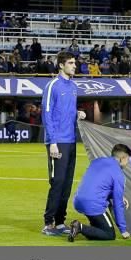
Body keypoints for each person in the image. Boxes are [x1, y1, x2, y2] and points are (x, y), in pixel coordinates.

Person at [42, 51, 86, 236]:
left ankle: (60, 223)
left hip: (71, 141)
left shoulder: (74, 87)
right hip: (57, 141)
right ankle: (48, 223)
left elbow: (66, 110)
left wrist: (78, 114)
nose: (74, 66)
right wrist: (52, 142)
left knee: (67, 184)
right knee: (57, 182)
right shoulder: (52, 85)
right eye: (70, 63)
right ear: (61, 65)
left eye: (74, 63)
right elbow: (47, 113)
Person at [68, 143, 131, 242]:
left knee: (98, 231)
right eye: (128, 159)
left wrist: (114, 195)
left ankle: (86, 230)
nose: (128, 163)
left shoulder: (97, 161)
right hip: (93, 205)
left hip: (78, 201)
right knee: (109, 234)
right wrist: (123, 230)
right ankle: (80, 227)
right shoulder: (118, 174)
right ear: (122, 158)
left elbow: (98, 185)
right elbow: (117, 204)